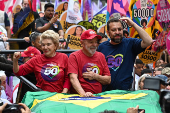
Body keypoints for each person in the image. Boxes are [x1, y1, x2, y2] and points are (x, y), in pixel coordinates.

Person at [97, 17, 153, 91]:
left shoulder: (130, 43)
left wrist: (133, 24)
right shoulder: (102, 47)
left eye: (120, 29)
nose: (117, 32)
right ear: (108, 33)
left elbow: (149, 41)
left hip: (125, 93)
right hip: (105, 93)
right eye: (114, 30)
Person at [68, 29, 111, 97]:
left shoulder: (101, 56)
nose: (94, 45)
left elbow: (108, 80)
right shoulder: (74, 56)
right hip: (78, 97)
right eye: (91, 42)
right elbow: (73, 78)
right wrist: (83, 94)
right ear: (82, 43)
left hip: (98, 97)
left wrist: (95, 76)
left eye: (96, 42)